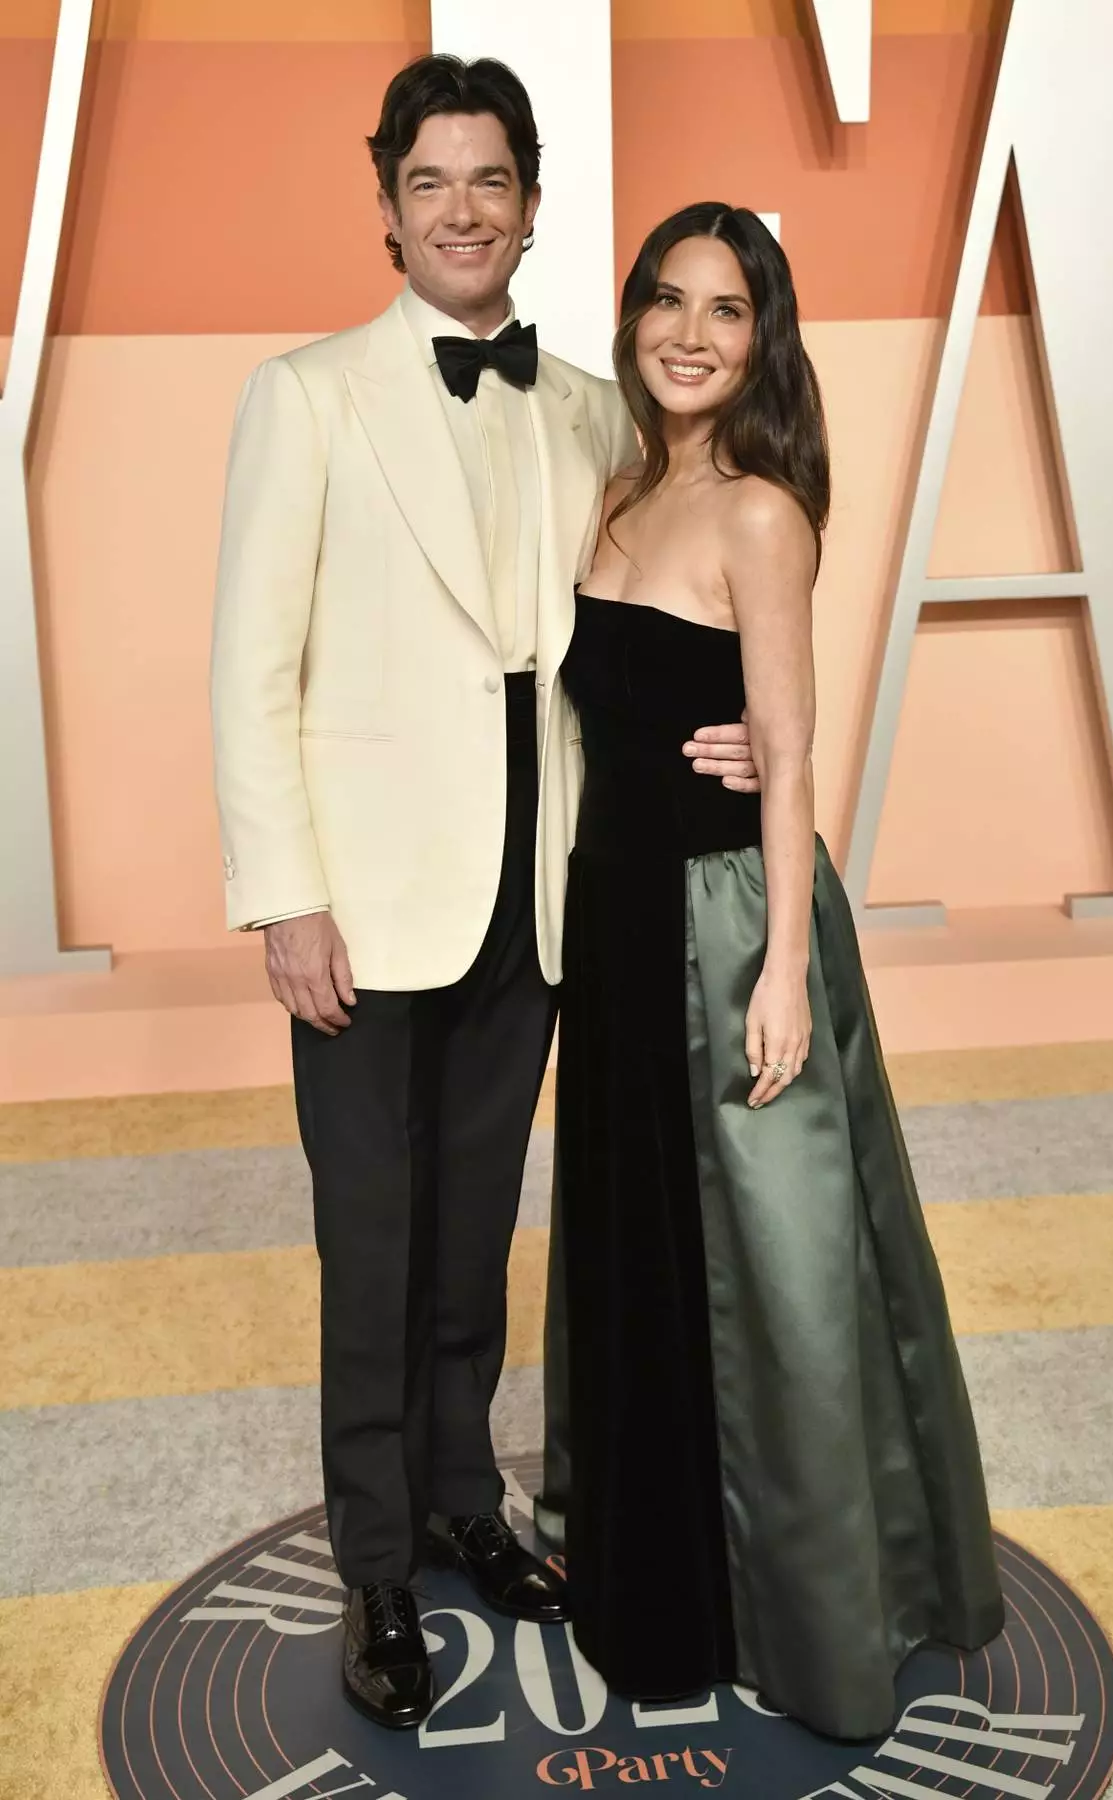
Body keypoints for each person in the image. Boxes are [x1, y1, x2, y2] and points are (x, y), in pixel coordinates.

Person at [209, 63, 759, 1732]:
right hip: (362, 911)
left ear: (534, 202)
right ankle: (376, 1559)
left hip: (539, 902)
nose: (462, 209)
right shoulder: (304, 397)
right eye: (430, 180)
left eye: (491, 180)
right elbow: (251, 671)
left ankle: (462, 1495)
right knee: (370, 1246)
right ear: (386, 202)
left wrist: (748, 726)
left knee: (469, 1245)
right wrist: (285, 897)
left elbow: (706, 546)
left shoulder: (592, 405)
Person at [551, 203, 1005, 1741]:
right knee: (648, 1266)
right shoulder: (622, 491)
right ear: (633, 321)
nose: (691, 331)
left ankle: (814, 1622)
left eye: (727, 310)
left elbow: (793, 752)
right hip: (614, 928)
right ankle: (656, 1580)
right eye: (668, 301)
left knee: (786, 1287)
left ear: (765, 338)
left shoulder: (757, 510)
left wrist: (788, 974)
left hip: (727, 923)